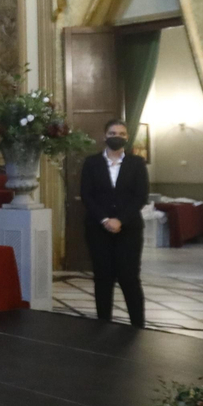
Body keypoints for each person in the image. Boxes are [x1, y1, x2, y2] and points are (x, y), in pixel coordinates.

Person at [79, 118, 149, 327]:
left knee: (129, 278)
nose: (116, 137)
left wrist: (120, 220)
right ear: (104, 136)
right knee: (103, 277)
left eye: (121, 134)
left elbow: (140, 196)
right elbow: (86, 195)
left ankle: (138, 325)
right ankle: (103, 323)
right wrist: (105, 219)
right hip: (98, 228)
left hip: (129, 229)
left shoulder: (136, 163)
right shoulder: (91, 163)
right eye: (112, 133)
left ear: (127, 137)